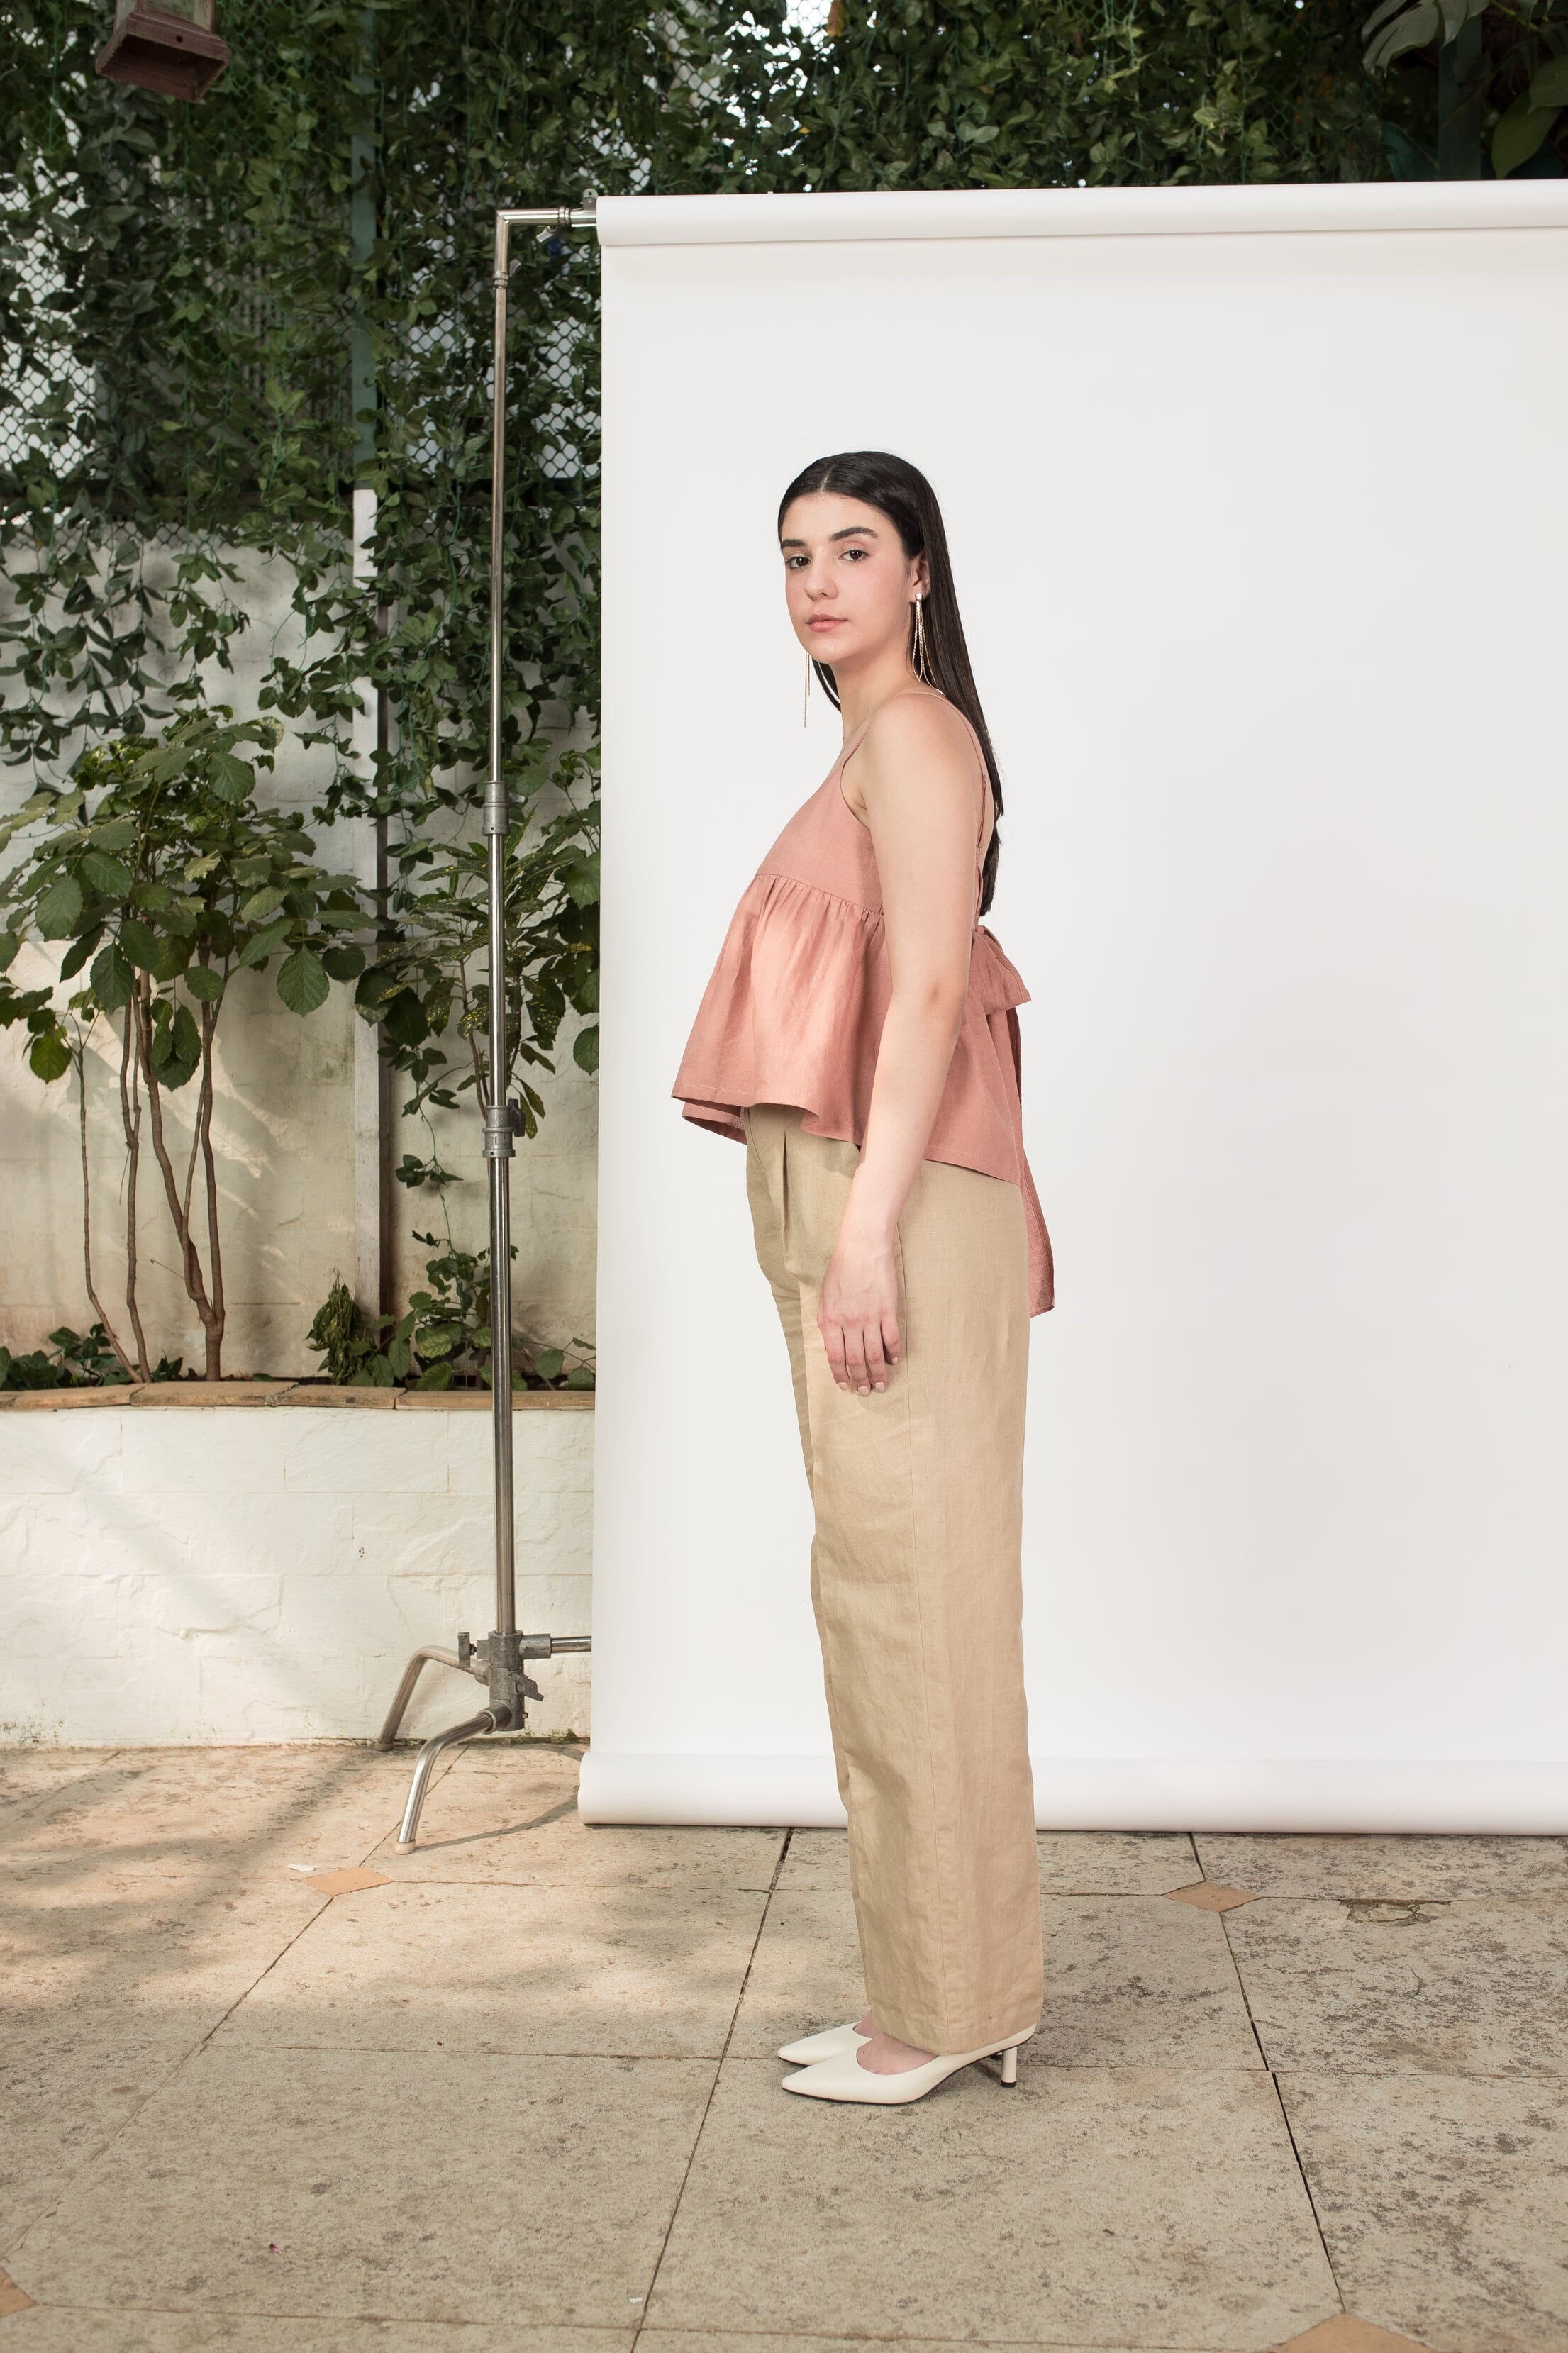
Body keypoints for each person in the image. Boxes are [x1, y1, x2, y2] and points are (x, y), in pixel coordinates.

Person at [672, 450, 1054, 2107]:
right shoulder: (876, 739)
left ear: (917, 574)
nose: (815, 582)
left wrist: (861, 1232)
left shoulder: (911, 736)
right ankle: (941, 1986)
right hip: (859, 1192)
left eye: (850, 549)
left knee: (914, 1599)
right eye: (792, 555)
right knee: (885, 1592)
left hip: (885, 1200)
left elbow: (924, 999)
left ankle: (947, 2005)